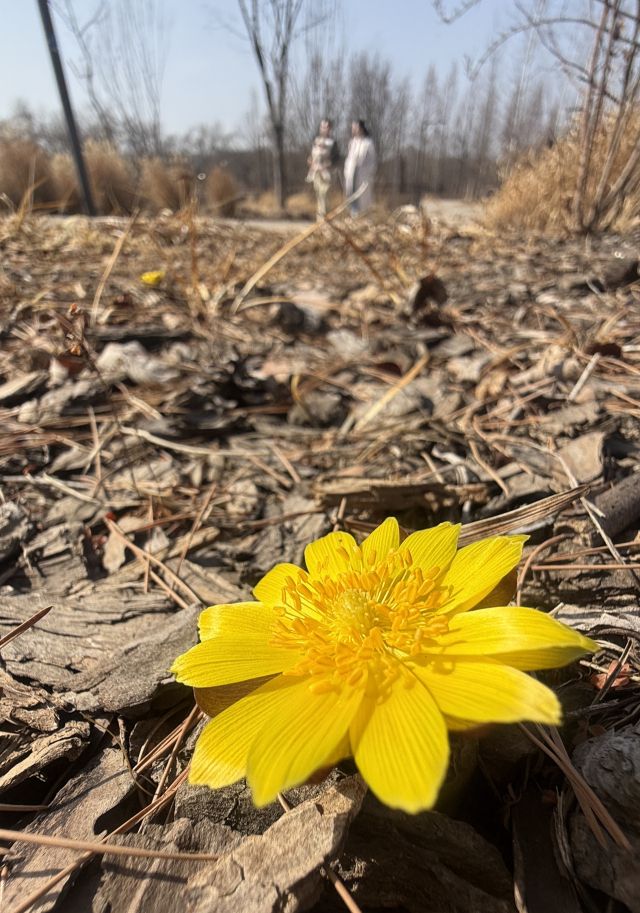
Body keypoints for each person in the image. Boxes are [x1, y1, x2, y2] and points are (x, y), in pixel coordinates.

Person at [306, 118, 340, 219]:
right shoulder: (316, 140)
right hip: (315, 172)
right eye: (322, 127)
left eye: (326, 127)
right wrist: (311, 162)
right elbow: (310, 156)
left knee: (325, 195)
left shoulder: (332, 142)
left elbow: (336, 159)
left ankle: (326, 220)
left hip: (327, 173)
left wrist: (325, 165)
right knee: (319, 196)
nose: (324, 129)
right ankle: (320, 220)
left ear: (330, 128)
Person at [344, 119, 376, 216]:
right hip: (351, 173)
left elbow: (372, 161)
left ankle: (363, 218)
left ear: (361, 129)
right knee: (351, 196)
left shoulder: (368, 143)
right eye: (352, 128)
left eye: (355, 127)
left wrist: (368, 173)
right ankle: (353, 216)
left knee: (362, 198)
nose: (353, 130)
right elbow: (349, 158)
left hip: (363, 175)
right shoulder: (352, 143)